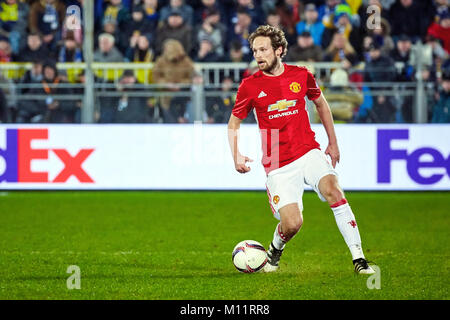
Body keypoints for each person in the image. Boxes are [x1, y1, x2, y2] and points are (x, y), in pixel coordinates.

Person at [227, 25, 374, 274]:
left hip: (308, 151)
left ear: (279, 50)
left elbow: (322, 105)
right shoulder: (249, 86)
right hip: (277, 162)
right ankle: (275, 250)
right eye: (254, 51)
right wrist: (236, 155)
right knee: (293, 224)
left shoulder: (301, 75)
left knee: (334, 190)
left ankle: (359, 260)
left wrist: (333, 142)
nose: (258, 55)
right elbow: (233, 123)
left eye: (263, 49)